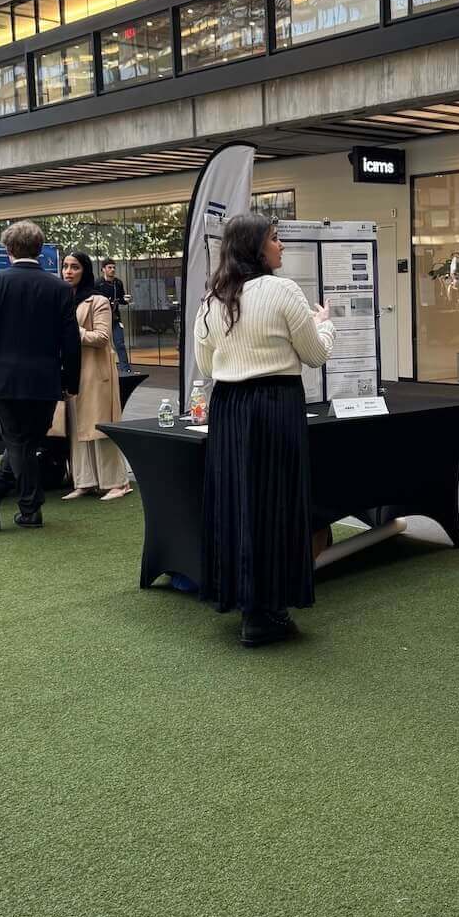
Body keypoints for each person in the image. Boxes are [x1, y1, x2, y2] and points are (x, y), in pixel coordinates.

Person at [193, 213, 334, 648]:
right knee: (277, 500)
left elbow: (204, 365)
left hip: (229, 407)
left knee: (238, 501)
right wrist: (327, 324)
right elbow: (314, 354)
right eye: (275, 239)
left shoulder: (212, 299)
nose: (281, 246)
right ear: (256, 247)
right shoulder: (283, 291)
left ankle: (245, 604)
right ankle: (270, 609)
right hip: (276, 405)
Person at [0, 221, 80, 531]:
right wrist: (72, 381)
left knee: (19, 441)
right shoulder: (59, 287)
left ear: (8, 251)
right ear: (41, 249)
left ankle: (22, 502)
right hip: (45, 380)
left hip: (3, 380)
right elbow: (70, 340)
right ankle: (2, 489)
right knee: (27, 440)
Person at [58, 251, 131, 502]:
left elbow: (102, 338)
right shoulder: (63, 299)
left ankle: (117, 483)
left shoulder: (97, 301)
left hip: (95, 372)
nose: (68, 271)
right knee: (77, 427)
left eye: (74, 267)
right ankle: (85, 481)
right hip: (72, 371)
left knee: (99, 426)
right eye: (65, 266)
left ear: (85, 271)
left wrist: (71, 330)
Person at [96, 258, 131, 374]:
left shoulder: (118, 283)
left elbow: (121, 299)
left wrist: (125, 300)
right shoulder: (98, 284)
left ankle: (125, 370)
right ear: (103, 269)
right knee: (101, 345)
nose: (112, 270)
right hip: (102, 319)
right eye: (109, 267)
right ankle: (102, 370)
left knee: (120, 343)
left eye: (114, 267)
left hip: (115, 318)